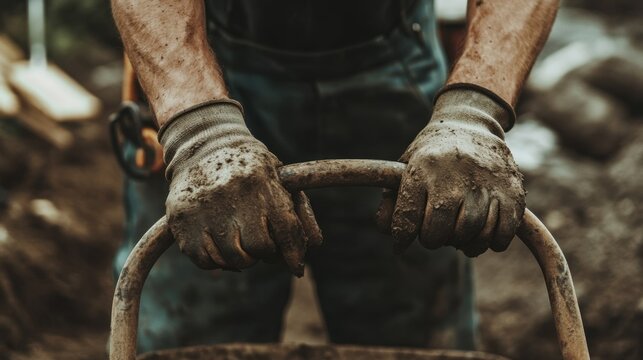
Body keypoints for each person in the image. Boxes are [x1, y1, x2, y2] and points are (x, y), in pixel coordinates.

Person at [110, 0, 559, 352]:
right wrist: (200, 132)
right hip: (204, 64)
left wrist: (474, 112)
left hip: (395, 70)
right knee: (196, 334)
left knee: (412, 332)